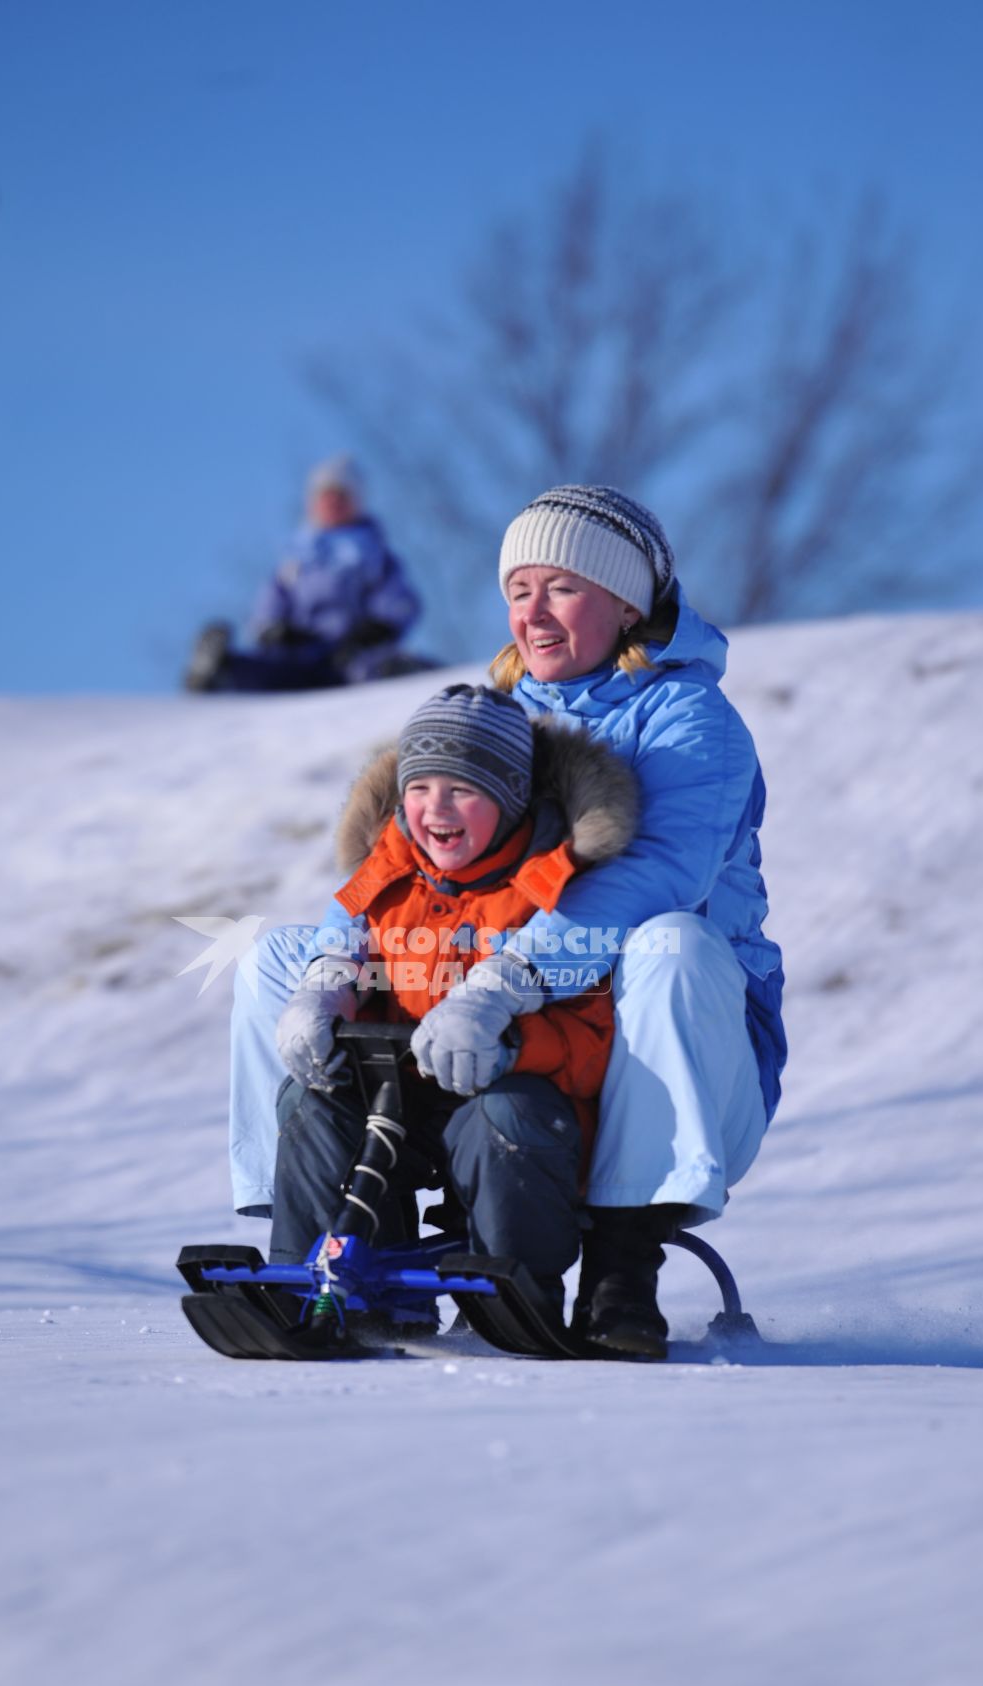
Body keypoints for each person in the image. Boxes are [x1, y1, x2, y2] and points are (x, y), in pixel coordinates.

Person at [228, 485, 786, 1356]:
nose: (532, 612)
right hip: (492, 1029)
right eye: (518, 589)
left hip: (674, 1050)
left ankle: (621, 1260)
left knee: (667, 947)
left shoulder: (689, 721)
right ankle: (333, 1220)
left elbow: (653, 878)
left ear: (626, 603)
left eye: (561, 587)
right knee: (276, 955)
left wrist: (500, 984)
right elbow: (395, 870)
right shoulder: (495, 716)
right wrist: (329, 983)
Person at [270, 681, 640, 1339]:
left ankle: (511, 1300)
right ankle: (328, 1292)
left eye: (461, 789)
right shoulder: (385, 876)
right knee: (308, 1100)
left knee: (506, 1114)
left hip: (519, 1116)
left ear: (511, 798)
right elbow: (345, 948)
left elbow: (598, 1043)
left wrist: (511, 1049)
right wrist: (322, 999)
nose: (432, 808)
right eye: (418, 787)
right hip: (401, 1102)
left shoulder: (559, 894)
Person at [185, 454, 423, 693]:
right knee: (270, 673)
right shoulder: (298, 557)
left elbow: (397, 599)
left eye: (341, 497)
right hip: (301, 651)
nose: (332, 504)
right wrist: (272, 628)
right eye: (325, 497)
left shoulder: (372, 554)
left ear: (356, 502)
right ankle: (220, 669)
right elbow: (272, 599)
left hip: (351, 654)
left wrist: (378, 627)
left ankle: (405, 673)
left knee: (371, 670)